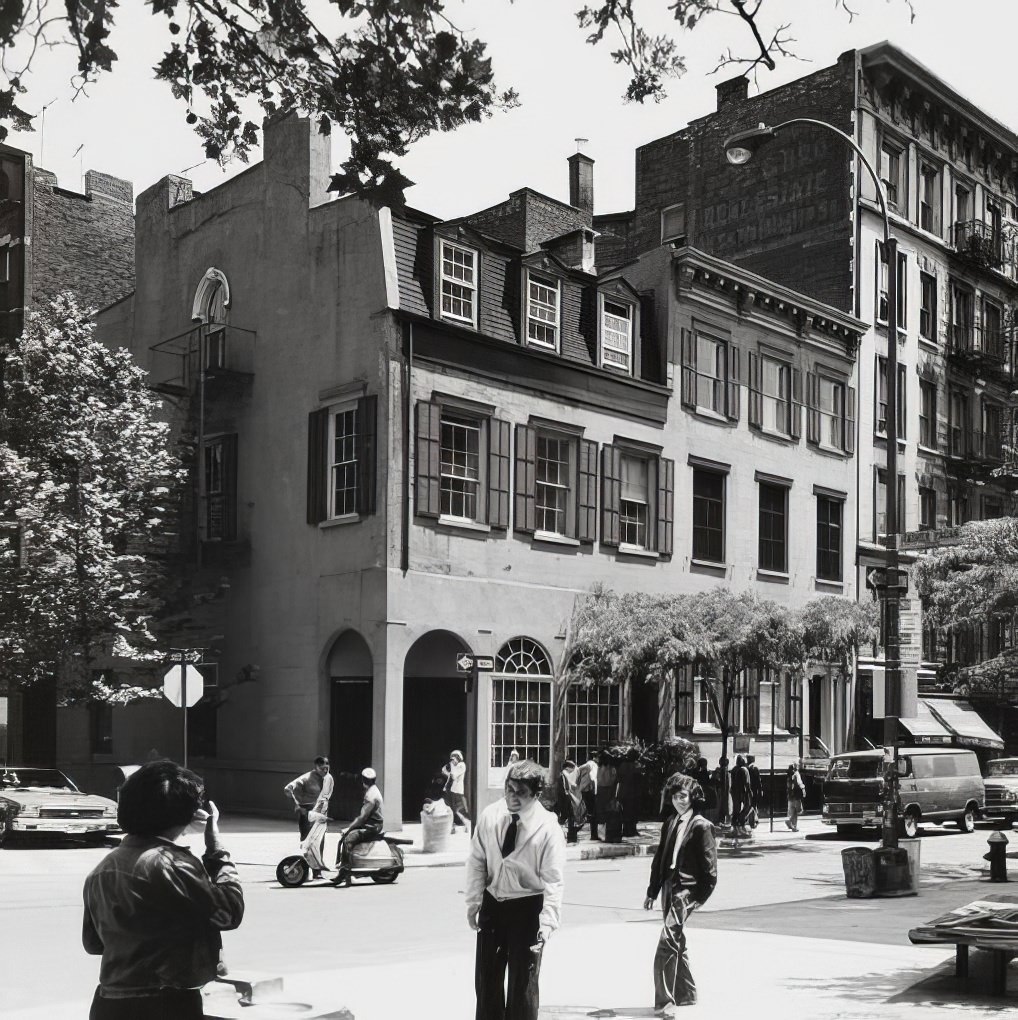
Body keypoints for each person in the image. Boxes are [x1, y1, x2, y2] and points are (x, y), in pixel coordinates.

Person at [82, 759, 245, 1020]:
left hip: (108, 1003)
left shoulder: (102, 869)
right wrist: (216, 849)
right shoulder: (171, 863)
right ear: (187, 813)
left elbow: (93, 944)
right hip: (163, 1004)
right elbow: (229, 912)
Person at [466, 760, 566, 1020]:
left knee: (523, 985)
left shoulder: (547, 828)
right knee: (487, 981)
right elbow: (477, 860)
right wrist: (474, 901)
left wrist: (547, 923)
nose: (512, 797)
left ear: (536, 794)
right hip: (493, 905)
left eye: (520, 793)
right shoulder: (490, 816)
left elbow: (554, 880)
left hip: (528, 909)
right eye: (509, 789)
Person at [643, 772, 718, 1016]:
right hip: (668, 886)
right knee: (677, 940)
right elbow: (660, 859)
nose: (679, 801)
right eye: (675, 797)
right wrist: (652, 891)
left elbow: (710, 872)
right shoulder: (671, 822)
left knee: (667, 942)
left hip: (685, 891)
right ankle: (687, 993)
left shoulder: (702, 826)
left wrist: (696, 899)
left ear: (693, 797)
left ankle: (665, 1003)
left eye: (683, 796)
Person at [332, 767, 384, 884]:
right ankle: (346, 868)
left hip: (372, 827)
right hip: (372, 824)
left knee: (348, 839)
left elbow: (362, 818)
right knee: (348, 836)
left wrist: (348, 829)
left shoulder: (370, 796)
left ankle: (345, 872)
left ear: (363, 781)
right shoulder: (374, 790)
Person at [283, 756, 333, 877]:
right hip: (308, 814)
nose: (325, 771)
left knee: (319, 841)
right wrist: (297, 804)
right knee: (308, 843)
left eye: (327, 768)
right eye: (322, 768)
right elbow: (288, 789)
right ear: (316, 767)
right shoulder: (306, 778)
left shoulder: (328, 779)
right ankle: (304, 870)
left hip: (320, 815)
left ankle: (317, 871)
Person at [442, 749, 471, 834]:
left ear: (458, 758)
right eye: (451, 759)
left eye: (454, 759)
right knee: (451, 809)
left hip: (457, 791)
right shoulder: (455, 766)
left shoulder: (461, 765)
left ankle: (466, 825)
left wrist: (447, 771)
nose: (452, 761)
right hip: (452, 790)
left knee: (459, 810)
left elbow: (453, 776)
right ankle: (453, 827)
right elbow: (450, 777)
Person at [559, 760, 585, 844]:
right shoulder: (564, 774)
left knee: (571, 817)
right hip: (566, 798)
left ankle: (571, 836)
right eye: (572, 768)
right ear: (568, 768)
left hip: (567, 797)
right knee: (571, 816)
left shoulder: (564, 774)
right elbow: (566, 786)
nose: (573, 770)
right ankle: (571, 836)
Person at [730, 755, 752, 837]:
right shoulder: (744, 770)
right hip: (742, 792)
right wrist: (749, 792)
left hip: (734, 791)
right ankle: (740, 824)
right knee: (747, 807)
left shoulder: (733, 769)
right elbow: (747, 783)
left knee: (736, 809)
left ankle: (735, 826)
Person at [578, 755, 599, 840]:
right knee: (592, 814)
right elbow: (593, 778)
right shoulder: (593, 765)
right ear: (594, 757)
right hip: (590, 791)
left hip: (583, 791)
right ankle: (594, 835)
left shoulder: (584, 766)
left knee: (587, 813)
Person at [785, 763, 806, 832]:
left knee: (792, 810)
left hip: (790, 795)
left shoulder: (789, 775)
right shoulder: (796, 774)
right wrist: (803, 789)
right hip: (796, 795)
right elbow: (799, 783)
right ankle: (793, 824)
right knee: (798, 811)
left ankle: (792, 823)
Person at [746, 755, 763, 829]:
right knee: (753, 805)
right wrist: (760, 790)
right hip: (754, 789)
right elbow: (758, 781)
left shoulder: (746, 768)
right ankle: (752, 821)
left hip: (747, 789)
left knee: (750, 805)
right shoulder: (755, 768)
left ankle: (753, 820)